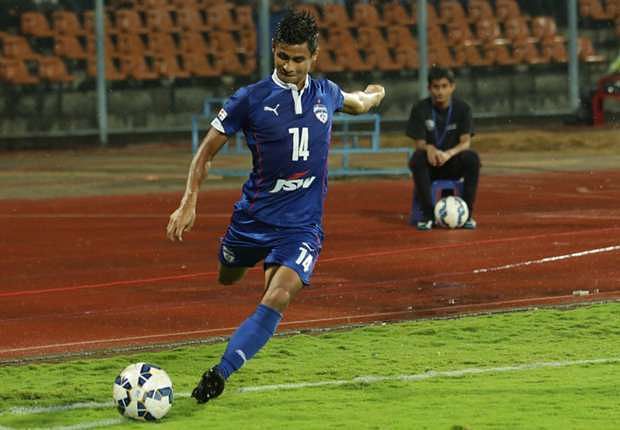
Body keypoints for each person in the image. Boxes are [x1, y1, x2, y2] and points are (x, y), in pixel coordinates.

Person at [166, 11, 385, 404]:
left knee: (279, 295)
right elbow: (206, 151)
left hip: (301, 227)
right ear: (273, 51)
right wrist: (188, 201)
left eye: (298, 59)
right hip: (252, 220)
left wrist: (375, 94)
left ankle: (221, 372)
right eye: (282, 56)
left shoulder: (326, 93)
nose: (288, 66)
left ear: (314, 57)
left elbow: (359, 103)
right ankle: (246, 264)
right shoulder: (249, 100)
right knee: (228, 275)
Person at [406, 66, 480, 231]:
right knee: (417, 158)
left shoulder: (463, 109)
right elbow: (419, 142)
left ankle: (467, 214)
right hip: (431, 165)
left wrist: (448, 154)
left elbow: (465, 141)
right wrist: (430, 148)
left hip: (453, 163)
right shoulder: (420, 108)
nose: (440, 91)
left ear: (453, 87)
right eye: (436, 87)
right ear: (429, 88)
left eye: (444, 86)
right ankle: (428, 215)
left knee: (472, 158)